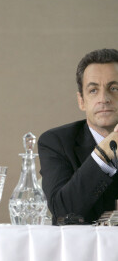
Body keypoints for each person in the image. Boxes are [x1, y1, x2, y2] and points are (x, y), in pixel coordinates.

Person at [38, 48, 118, 225]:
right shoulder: (55, 142)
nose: (104, 98)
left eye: (114, 88)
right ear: (81, 101)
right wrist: (104, 154)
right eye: (93, 90)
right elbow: (62, 212)